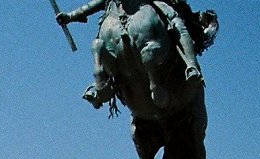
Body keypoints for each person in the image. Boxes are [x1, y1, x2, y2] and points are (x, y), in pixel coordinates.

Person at [58, 0, 205, 106]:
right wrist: (71, 16)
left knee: (176, 22)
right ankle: (101, 82)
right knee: (99, 42)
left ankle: (191, 66)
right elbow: (94, 4)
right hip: (118, 8)